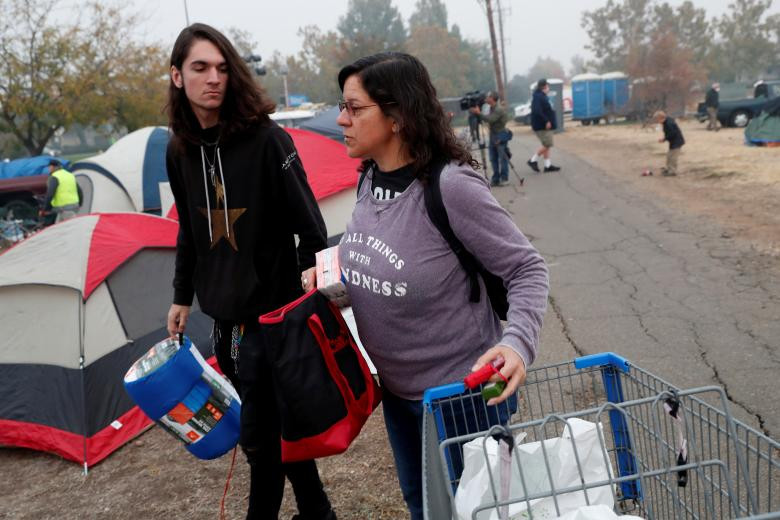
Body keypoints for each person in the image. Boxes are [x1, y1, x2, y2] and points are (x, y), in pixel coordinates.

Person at [334, 52, 549, 520]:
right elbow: (385, 265)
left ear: (395, 116)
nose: (341, 118)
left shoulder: (451, 186)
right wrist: (337, 282)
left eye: (354, 108)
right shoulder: (369, 177)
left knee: (478, 512)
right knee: (424, 507)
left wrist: (517, 343)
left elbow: (527, 269)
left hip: (466, 397)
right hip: (399, 394)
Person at [163, 23, 335, 520]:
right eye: (199, 68)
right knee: (277, 429)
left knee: (260, 442)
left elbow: (313, 226)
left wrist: (305, 290)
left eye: (221, 67)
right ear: (177, 76)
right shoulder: (179, 151)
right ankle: (319, 512)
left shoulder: (268, 140)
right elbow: (189, 231)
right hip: (225, 323)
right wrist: (181, 296)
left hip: (274, 318)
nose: (213, 78)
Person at [468, 91, 510, 186]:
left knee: (502, 158)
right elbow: (487, 118)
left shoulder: (498, 109)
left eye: (488, 97)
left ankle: (504, 178)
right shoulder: (491, 108)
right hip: (493, 135)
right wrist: (477, 113)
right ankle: (496, 178)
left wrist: (479, 113)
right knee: (493, 157)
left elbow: (490, 119)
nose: (486, 98)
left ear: (492, 98)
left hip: (500, 134)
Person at [528, 79, 560, 173]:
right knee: (548, 144)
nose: (548, 88)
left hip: (545, 125)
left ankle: (547, 165)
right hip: (542, 125)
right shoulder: (538, 97)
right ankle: (533, 160)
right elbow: (537, 111)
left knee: (546, 145)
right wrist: (546, 121)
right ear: (543, 87)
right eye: (547, 86)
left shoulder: (542, 96)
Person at [654, 110, 685, 177]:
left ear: (660, 118)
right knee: (669, 156)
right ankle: (669, 169)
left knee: (673, 157)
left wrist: (664, 139)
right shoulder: (666, 122)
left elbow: (672, 133)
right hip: (673, 141)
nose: (657, 121)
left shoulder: (669, 123)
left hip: (677, 141)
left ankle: (673, 171)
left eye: (657, 119)